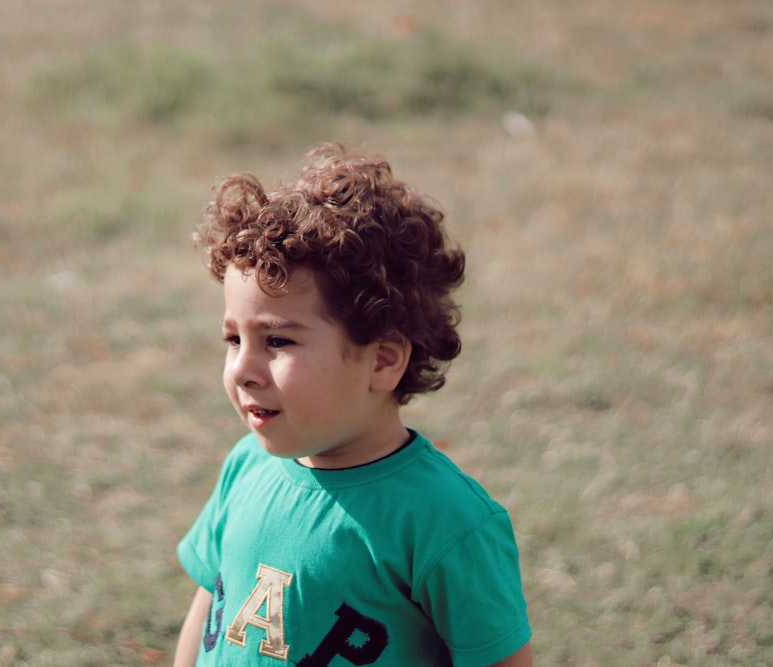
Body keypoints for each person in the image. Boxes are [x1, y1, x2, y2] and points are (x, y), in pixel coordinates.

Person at [174, 144, 532, 666]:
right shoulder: (246, 468)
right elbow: (210, 611)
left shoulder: (445, 521)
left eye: (277, 342)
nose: (243, 370)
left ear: (383, 360)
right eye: (234, 339)